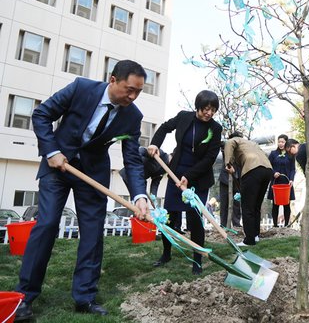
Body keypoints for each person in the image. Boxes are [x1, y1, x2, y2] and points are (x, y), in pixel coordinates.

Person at [15, 60, 149, 320]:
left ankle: (84, 297)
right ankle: (25, 296)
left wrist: (140, 195)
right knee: (47, 224)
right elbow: (41, 114)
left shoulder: (132, 116)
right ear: (113, 80)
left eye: (138, 92)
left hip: (93, 174)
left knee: (92, 233)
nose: (132, 97)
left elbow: (132, 159)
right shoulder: (80, 88)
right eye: (129, 89)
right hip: (58, 166)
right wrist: (51, 151)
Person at [147, 90, 223, 275]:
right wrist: (155, 143)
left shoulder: (216, 128)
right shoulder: (184, 117)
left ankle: (197, 260)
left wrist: (189, 176)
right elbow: (165, 127)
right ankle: (166, 254)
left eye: (213, 110)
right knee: (170, 217)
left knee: (195, 219)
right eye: (206, 108)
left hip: (198, 178)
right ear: (198, 106)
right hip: (176, 173)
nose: (209, 113)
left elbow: (210, 158)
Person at [223, 136, 273, 246]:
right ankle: (255, 235)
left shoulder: (234, 140)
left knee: (247, 207)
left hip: (253, 169)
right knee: (255, 206)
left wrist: (228, 163)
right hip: (268, 170)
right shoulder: (252, 143)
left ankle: (249, 240)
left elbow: (229, 143)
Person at [267, 134, 296, 227]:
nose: (280, 144)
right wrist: (273, 173)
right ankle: (275, 225)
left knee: (286, 204)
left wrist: (291, 179)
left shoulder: (290, 155)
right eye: (279, 141)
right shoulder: (273, 154)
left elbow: (293, 169)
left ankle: (286, 225)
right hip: (276, 182)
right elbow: (268, 166)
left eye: (282, 142)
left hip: (287, 182)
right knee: (275, 204)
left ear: (286, 143)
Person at [218, 132, 243, 228]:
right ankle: (223, 224)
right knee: (224, 203)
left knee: (237, 202)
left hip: (237, 178)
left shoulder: (242, 148)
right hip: (225, 178)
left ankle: (236, 223)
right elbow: (219, 143)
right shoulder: (226, 146)